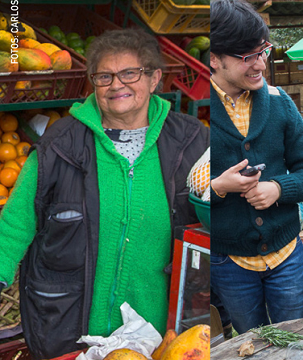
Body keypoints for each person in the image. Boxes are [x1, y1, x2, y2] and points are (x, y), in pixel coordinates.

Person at [0, 29, 209, 359]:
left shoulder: (191, 140)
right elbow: (15, 222)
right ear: (92, 83)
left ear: (154, 78)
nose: (116, 85)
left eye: (130, 73)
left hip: (160, 335)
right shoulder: (61, 144)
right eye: (104, 76)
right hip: (72, 330)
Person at [209, 0, 303, 335]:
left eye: (264, 51)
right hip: (230, 262)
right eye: (248, 56)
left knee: (300, 338)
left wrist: (278, 188)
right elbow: (179, 193)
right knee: (251, 342)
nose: (261, 63)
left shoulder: (279, 102)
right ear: (214, 59)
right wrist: (218, 187)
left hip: (286, 255)